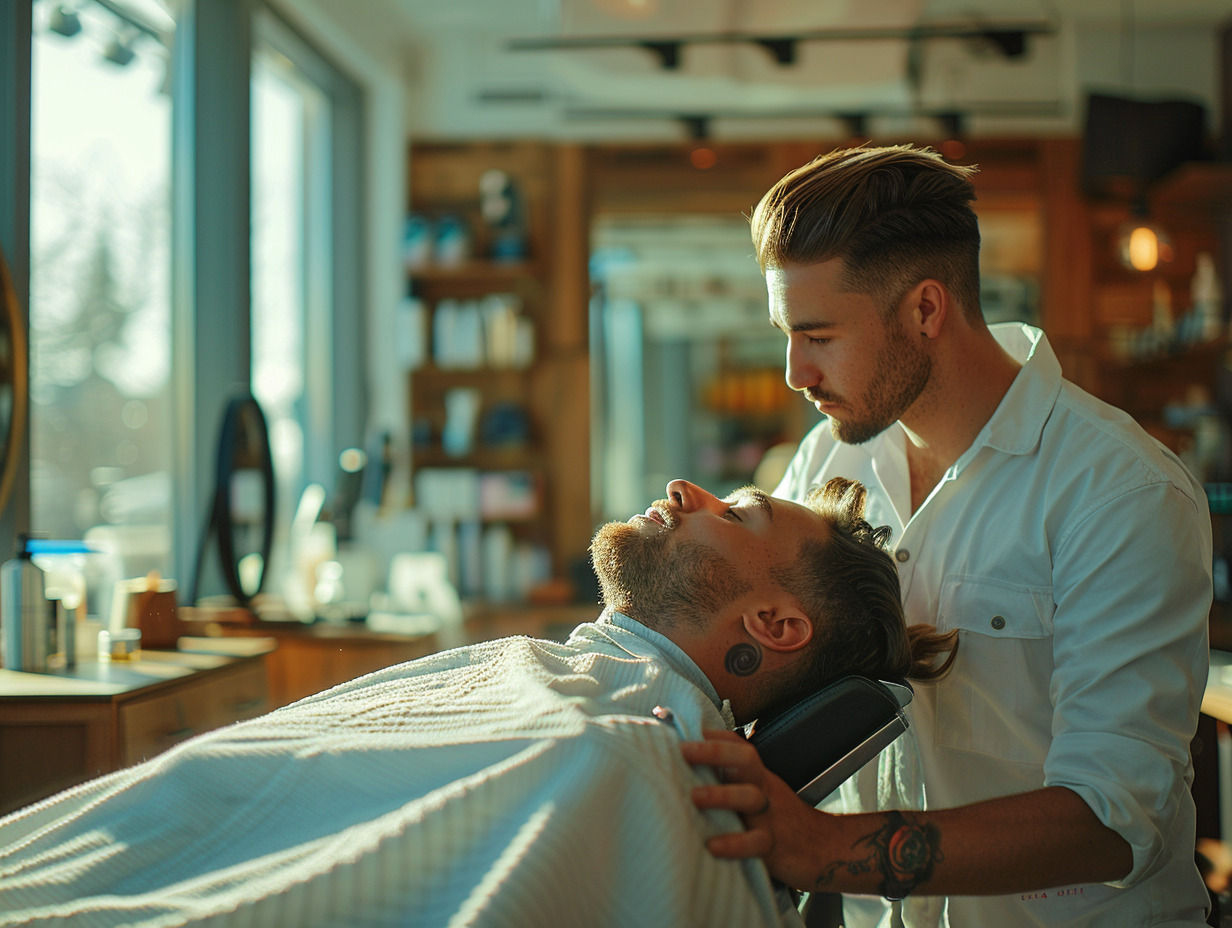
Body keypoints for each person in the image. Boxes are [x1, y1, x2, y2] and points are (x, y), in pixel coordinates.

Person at [0, 477, 953, 928]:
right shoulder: (571, 690)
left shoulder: (622, 758)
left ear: (775, 625)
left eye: (735, 513)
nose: (684, 488)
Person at [681, 144, 1214, 927]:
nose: (794, 371)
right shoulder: (827, 457)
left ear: (926, 310)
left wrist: (825, 848)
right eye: (786, 332)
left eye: (819, 334)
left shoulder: (1121, 492)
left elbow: (1111, 818)